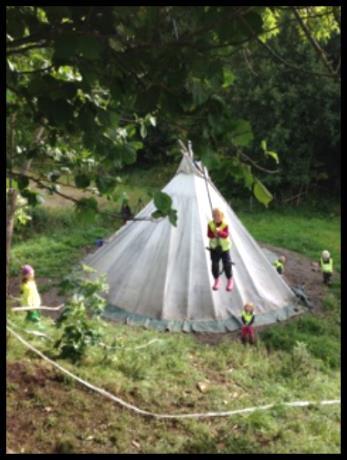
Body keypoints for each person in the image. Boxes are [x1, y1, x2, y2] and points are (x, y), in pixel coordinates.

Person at [207, 208, 234, 291]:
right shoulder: (210, 224)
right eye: (214, 216)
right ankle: (216, 280)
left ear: (222, 216)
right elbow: (209, 234)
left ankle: (230, 280)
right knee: (214, 264)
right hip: (214, 248)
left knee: (227, 264)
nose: (217, 217)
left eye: (218, 216)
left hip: (225, 248)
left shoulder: (225, 224)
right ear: (213, 216)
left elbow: (226, 235)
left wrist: (220, 232)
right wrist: (214, 234)